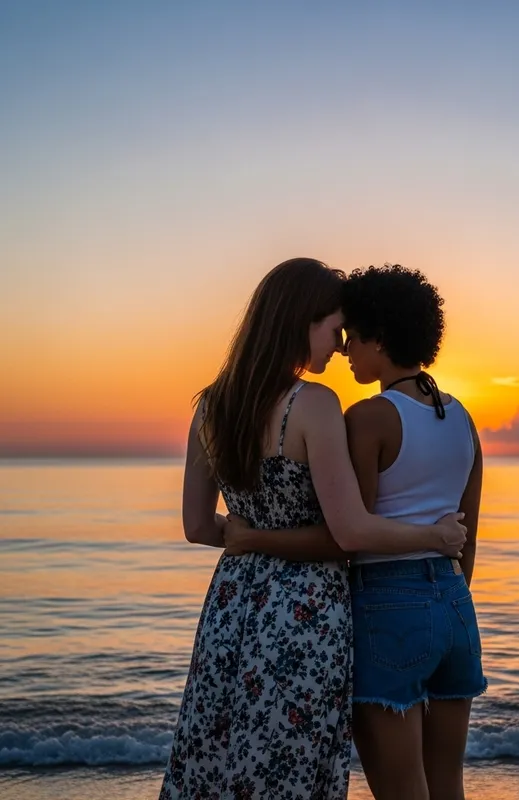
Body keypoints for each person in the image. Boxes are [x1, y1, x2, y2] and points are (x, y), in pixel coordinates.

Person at [159, 258, 466, 800]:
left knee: (221, 761)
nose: (340, 344)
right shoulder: (314, 405)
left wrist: (248, 537)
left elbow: (197, 526)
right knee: (293, 771)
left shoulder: (210, 405)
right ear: (302, 321)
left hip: (230, 611)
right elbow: (347, 531)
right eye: (334, 328)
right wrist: (435, 537)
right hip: (305, 615)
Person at [340, 264, 486, 800]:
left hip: (387, 606)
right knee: (448, 784)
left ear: (379, 337)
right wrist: (446, 593)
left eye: (353, 337)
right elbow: (467, 533)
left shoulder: (370, 417)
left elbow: (353, 532)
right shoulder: (465, 418)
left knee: (401, 790)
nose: (345, 350)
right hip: (453, 604)